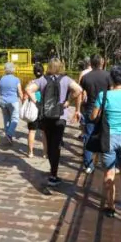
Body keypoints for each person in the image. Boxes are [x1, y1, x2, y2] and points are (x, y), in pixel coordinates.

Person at [90, 65, 121, 217]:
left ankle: (110, 207)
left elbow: (93, 116)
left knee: (109, 171)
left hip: (108, 137)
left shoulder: (104, 95)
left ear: (111, 78)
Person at [26, 58, 82, 187]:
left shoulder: (42, 80)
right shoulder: (66, 79)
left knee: (49, 143)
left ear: (49, 67)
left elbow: (28, 89)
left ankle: (52, 170)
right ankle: (53, 175)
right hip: (60, 116)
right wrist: (68, 102)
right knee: (56, 145)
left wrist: (38, 103)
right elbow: (79, 90)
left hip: (46, 116)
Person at [75, 55, 112, 174]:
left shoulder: (85, 77)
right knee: (105, 135)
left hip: (90, 109)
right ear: (102, 63)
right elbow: (111, 93)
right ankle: (105, 161)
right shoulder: (108, 76)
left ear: (91, 63)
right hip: (104, 110)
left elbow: (80, 94)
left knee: (88, 136)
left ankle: (88, 164)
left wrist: (77, 109)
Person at [26, 63, 48, 158]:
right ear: (43, 71)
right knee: (44, 132)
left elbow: (25, 96)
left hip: (33, 108)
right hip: (43, 107)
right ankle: (45, 153)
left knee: (32, 131)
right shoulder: (47, 81)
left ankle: (30, 152)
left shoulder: (31, 83)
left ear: (34, 72)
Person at [0, 62, 23, 144]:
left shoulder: (1, 78)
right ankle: (9, 134)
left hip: (3, 101)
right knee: (15, 118)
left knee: (6, 119)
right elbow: (19, 91)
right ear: (13, 69)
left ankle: (9, 138)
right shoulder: (16, 79)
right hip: (13, 101)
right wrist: (23, 100)